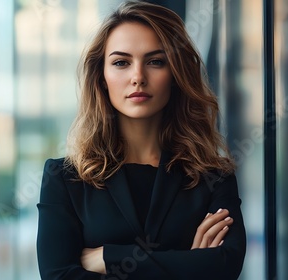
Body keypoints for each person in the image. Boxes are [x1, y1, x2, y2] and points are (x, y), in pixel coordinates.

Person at [36, 1, 246, 279]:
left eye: (156, 61)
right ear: (101, 77)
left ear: (176, 75)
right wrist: (189, 265)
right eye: (121, 62)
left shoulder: (214, 176)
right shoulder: (64, 178)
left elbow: (224, 266)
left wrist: (108, 257)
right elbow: (58, 276)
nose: (138, 77)